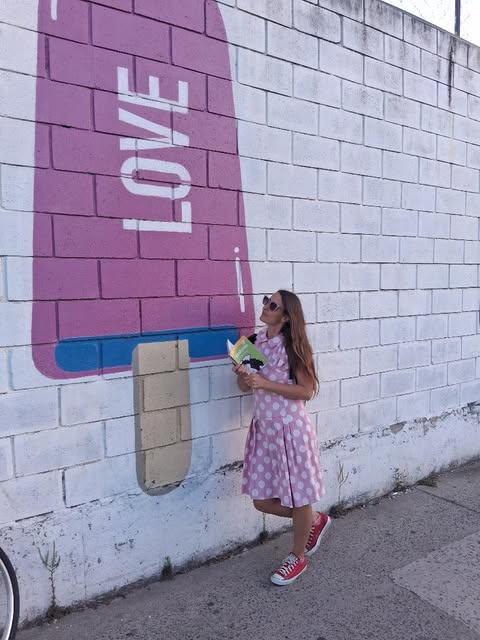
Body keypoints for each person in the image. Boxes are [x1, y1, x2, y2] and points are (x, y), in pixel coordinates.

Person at [233, 290, 330, 586]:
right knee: (261, 501)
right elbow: (244, 387)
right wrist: (243, 375)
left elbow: (306, 391)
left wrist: (265, 383)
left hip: (291, 430)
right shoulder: (252, 342)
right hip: (265, 430)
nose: (265, 307)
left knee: (299, 497)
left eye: (272, 305)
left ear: (286, 317)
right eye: (266, 300)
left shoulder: (292, 347)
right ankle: (314, 520)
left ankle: (297, 557)